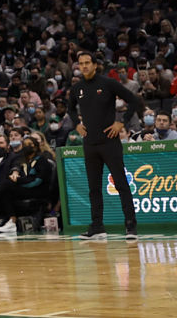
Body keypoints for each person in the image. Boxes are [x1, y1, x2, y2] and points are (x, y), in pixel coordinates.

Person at [67, 50, 142, 240]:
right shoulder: (77, 88)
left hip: (110, 142)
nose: (83, 66)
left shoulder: (107, 83)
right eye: (80, 63)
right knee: (93, 187)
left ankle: (130, 225)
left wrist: (121, 122)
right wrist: (77, 123)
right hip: (90, 143)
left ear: (94, 65)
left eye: (87, 62)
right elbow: (69, 108)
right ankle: (97, 226)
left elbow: (133, 100)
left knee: (121, 184)